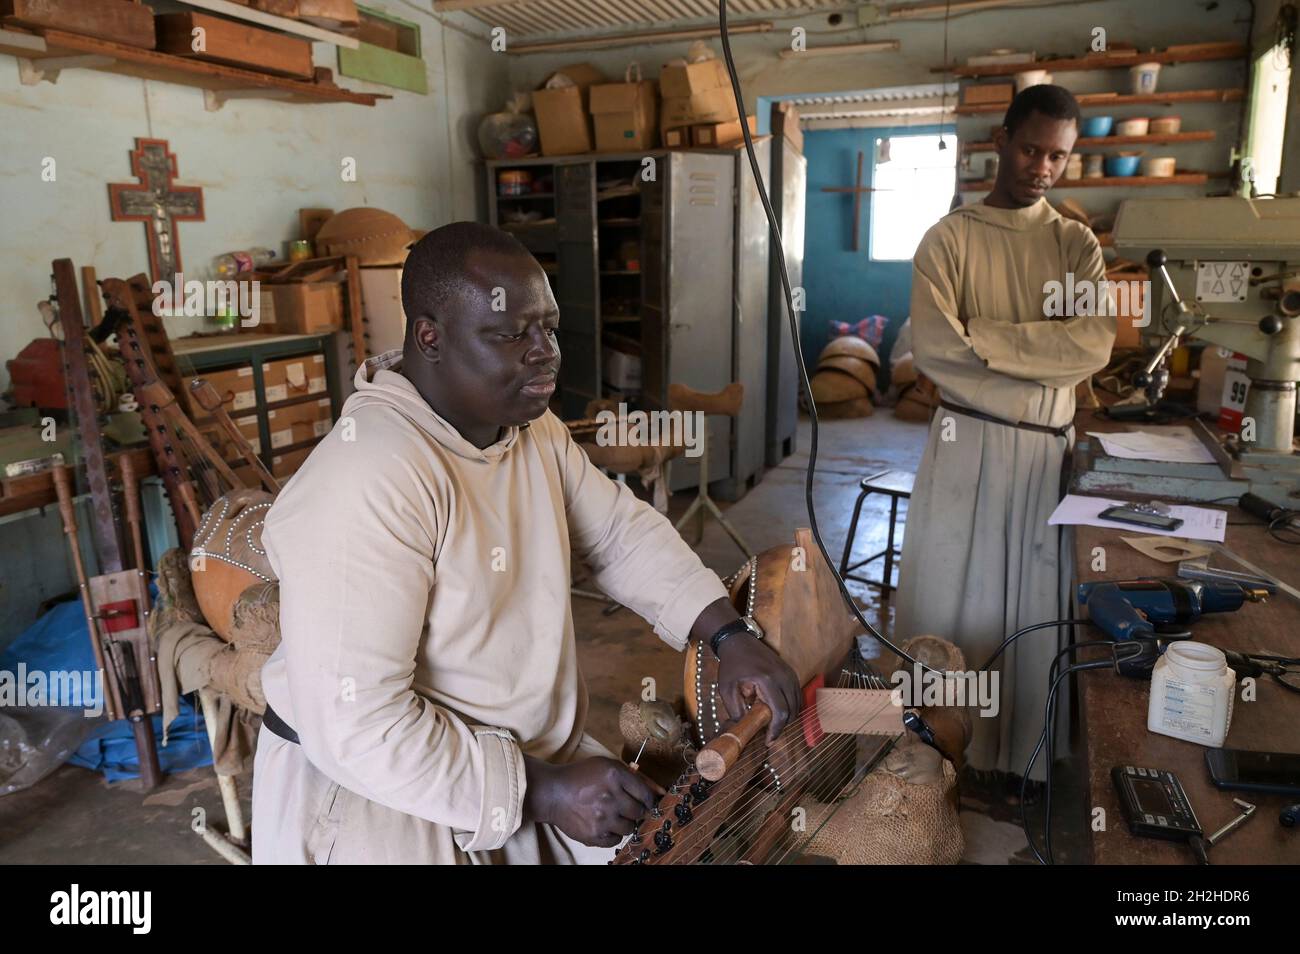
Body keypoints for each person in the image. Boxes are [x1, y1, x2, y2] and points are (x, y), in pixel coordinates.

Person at [251, 222, 801, 863]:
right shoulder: (367, 478)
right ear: (430, 336)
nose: (545, 353)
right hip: (386, 800)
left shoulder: (530, 433)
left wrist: (727, 636)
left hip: (523, 768)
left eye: (549, 328)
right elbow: (358, 725)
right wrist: (540, 791)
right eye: (512, 334)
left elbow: (617, 534)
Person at [893, 85, 1117, 785]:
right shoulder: (948, 239)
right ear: (1001, 139)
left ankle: (1020, 756)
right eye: (1030, 148)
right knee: (952, 600)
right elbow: (934, 352)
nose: (1042, 167)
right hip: (967, 447)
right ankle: (931, 747)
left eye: (1058, 156)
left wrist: (985, 337)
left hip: (1042, 455)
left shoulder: (1075, 243)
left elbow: (1093, 345)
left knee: (1030, 608)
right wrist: (1037, 362)